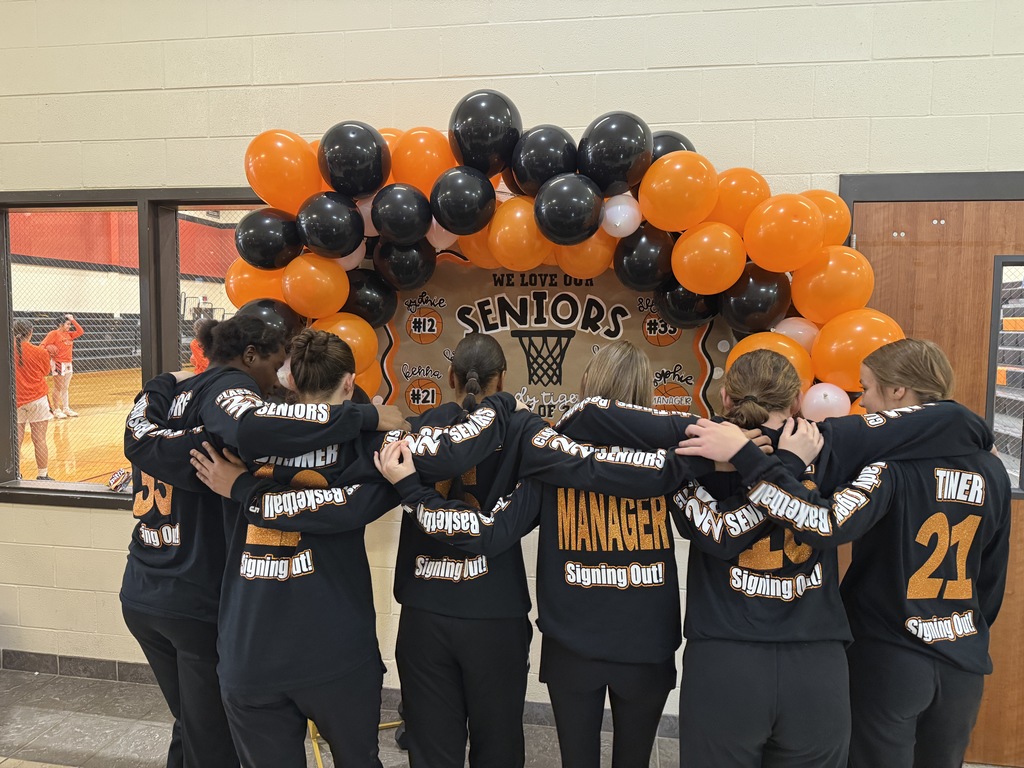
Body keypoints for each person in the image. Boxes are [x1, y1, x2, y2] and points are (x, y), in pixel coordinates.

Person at [377, 341, 745, 768]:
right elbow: (712, 530)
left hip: (541, 631)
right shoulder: (665, 458)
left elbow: (492, 530)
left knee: (466, 749)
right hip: (627, 635)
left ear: (452, 377)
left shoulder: (433, 435)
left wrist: (407, 483)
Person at [674, 343, 1007, 768]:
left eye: (865, 388)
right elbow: (991, 579)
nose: (861, 401)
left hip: (777, 652)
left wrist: (751, 459)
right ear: (797, 400)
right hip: (838, 659)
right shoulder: (982, 468)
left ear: (724, 397)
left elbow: (797, 526)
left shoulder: (878, 465)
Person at [122, 315, 405, 768]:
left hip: (250, 651)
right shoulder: (370, 442)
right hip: (336, 646)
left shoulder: (229, 445)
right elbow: (347, 508)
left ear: (290, 382)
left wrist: (163, 388)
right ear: (349, 384)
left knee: (216, 738)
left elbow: (142, 444)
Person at [13, 319, 54, 480]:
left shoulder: (7, 351)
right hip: (37, 399)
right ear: (31, 332)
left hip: (16, 400)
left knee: (16, 440)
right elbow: (45, 371)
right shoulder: (40, 352)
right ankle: (42, 475)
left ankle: (15, 473)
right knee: (39, 439)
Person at [42, 312, 83, 418]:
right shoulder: (54, 333)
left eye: (70, 324)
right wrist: (48, 350)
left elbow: (80, 331)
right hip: (58, 363)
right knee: (58, 387)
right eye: (68, 324)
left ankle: (66, 408)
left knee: (65, 387)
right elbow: (43, 345)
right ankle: (56, 410)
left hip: (68, 363)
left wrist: (73, 320)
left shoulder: (69, 334)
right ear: (60, 324)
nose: (69, 326)